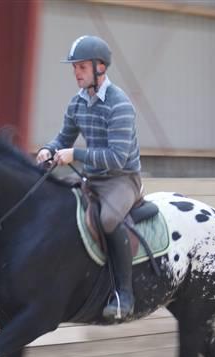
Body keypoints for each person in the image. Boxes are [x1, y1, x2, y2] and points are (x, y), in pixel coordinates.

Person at [37, 35, 142, 321]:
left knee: (108, 219)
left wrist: (76, 155)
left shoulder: (120, 105)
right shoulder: (77, 103)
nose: (76, 73)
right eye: (74, 67)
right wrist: (48, 149)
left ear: (100, 68)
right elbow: (63, 137)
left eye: (81, 67)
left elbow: (116, 157)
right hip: (92, 178)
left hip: (122, 179)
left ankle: (124, 293)